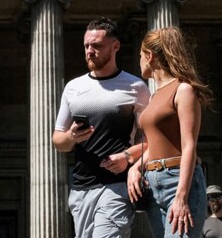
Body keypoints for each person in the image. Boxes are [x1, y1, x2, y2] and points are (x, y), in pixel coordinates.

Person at [53, 18, 151, 238]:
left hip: (116, 186)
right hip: (81, 189)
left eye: (97, 46)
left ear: (115, 46)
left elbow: (152, 139)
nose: (90, 51)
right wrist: (71, 136)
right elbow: (58, 141)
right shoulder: (73, 87)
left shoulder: (136, 87)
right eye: (87, 45)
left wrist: (127, 156)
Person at [127, 27, 212, 238]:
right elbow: (155, 144)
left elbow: (189, 145)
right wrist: (136, 168)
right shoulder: (155, 96)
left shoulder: (183, 89)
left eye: (140, 56)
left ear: (150, 56)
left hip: (178, 181)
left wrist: (181, 196)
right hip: (153, 182)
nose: (139, 62)